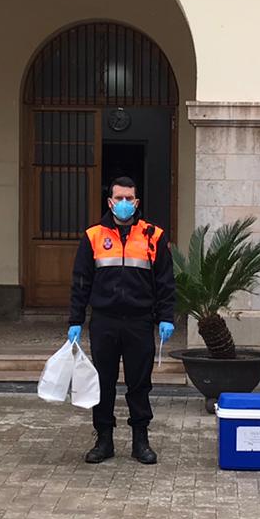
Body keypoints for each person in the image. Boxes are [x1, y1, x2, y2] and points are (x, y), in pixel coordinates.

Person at [68, 177, 176, 465]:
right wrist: (75, 320)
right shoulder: (93, 236)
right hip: (104, 321)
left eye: (129, 198)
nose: (124, 203)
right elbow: (81, 281)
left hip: (139, 322)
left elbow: (166, 281)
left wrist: (166, 317)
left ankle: (141, 440)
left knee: (140, 384)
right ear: (110, 201)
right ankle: (104, 440)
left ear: (136, 202)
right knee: (102, 383)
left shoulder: (153, 235)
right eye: (119, 198)